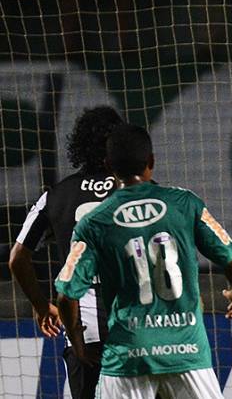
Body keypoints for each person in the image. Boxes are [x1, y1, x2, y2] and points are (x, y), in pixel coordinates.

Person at [54, 123, 232, 398]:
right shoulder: (185, 203)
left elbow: (65, 295)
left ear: (109, 166)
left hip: (127, 354)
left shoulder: (94, 222)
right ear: (152, 161)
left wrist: (76, 341)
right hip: (188, 353)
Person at [8, 105, 123, 398]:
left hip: (85, 335)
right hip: (136, 329)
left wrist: (40, 304)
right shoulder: (138, 191)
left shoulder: (56, 196)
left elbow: (17, 257)